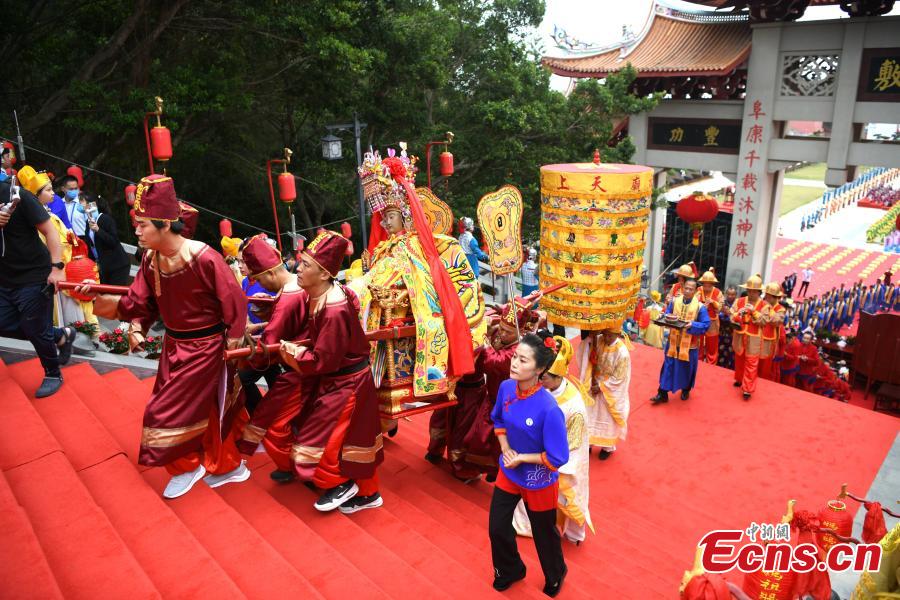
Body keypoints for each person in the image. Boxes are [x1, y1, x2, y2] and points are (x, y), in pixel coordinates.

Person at [76, 174, 251, 499]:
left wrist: (234, 340)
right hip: (174, 344)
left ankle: (186, 466)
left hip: (206, 347)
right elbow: (138, 302)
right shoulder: (151, 258)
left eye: (143, 225)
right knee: (209, 409)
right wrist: (97, 297)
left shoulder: (204, 257)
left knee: (163, 411)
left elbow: (235, 301)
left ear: (166, 224)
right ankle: (228, 465)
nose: (137, 232)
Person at [280, 230, 384, 514]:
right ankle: (368, 493)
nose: (297, 268)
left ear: (325, 274)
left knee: (325, 439)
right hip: (341, 379)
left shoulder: (334, 308)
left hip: (347, 383)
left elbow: (322, 361)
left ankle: (339, 483)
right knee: (353, 439)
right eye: (300, 262)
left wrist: (293, 352)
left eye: (306, 265)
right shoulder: (320, 295)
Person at [488, 331, 569, 597]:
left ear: (540, 369)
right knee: (497, 526)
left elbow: (558, 457)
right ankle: (510, 569)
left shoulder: (549, 409)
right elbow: (498, 420)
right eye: (515, 357)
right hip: (509, 471)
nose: (514, 363)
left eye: (523, 360)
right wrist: (506, 448)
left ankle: (556, 572)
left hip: (539, 478)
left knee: (543, 532)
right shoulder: (506, 388)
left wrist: (522, 457)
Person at [235, 235, 305, 482]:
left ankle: (296, 467)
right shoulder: (298, 284)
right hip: (304, 363)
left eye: (261, 279)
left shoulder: (287, 297)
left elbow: (269, 345)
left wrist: (244, 353)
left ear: (272, 273)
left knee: (273, 422)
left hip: (299, 368)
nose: (261, 284)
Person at [1, 166, 75, 397]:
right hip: (5, 278)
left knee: (35, 327)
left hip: (34, 274)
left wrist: (57, 268)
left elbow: (50, 231)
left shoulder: (18, 195)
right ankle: (59, 335)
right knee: (7, 324)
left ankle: (53, 373)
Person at [513, 336, 592, 545]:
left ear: (557, 375)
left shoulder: (574, 407)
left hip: (559, 456)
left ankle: (572, 533)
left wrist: (551, 458)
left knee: (566, 495)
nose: (540, 379)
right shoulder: (543, 389)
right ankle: (525, 525)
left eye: (544, 376)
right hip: (537, 449)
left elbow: (574, 443)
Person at [651, 279, 710, 404]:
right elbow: (667, 313)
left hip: (690, 345)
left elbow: (706, 324)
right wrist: (662, 316)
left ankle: (686, 389)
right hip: (673, 342)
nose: (687, 291)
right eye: (686, 288)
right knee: (668, 366)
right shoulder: (675, 301)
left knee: (687, 368)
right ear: (683, 288)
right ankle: (662, 393)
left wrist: (693, 324)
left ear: (695, 291)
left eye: (691, 289)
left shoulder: (700, 307)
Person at [579, 327, 631, 459]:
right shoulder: (599, 340)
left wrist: (602, 387)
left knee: (607, 418)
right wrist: (591, 338)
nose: (606, 338)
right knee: (589, 414)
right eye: (605, 334)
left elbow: (619, 377)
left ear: (618, 334)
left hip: (608, 390)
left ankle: (607, 447)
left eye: (610, 336)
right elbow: (585, 349)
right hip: (594, 383)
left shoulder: (622, 353)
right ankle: (588, 442)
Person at [731, 274, 766, 400]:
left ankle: (747, 389)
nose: (751, 293)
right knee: (739, 358)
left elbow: (764, 322)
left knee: (751, 362)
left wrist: (754, 312)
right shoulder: (739, 301)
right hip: (740, 334)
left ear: (759, 292)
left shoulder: (764, 305)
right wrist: (737, 314)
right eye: (749, 290)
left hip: (754, 337)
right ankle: (739, 379)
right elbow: (732, 315)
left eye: (754, 291)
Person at [86, 196, 131, 285]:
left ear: (93, 205)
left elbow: (113, 241)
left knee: (115, 292)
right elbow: (91, 245)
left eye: (83, 202)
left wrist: (98, 230)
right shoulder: (88, 223)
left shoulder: (106, 219)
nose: (81, 205)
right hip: (103, 266)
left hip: (117, 265)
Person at [758, 282, 786, 382]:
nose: (766, 298)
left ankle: (762, 382)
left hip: (769, 340)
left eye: (768, 296)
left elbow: (776, 322)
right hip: (757, 335)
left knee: (765, 364)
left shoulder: (781, 309)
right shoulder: (761, 303)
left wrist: (768, 308)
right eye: (766, 295)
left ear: (775, 297)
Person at [697, 268, 723, 365]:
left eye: (709, 284)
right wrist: (701, 305)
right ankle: (698, 362)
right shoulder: (698, 290)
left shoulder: (718, 292)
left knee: (712, 346)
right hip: (699, 320)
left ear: (713, 283)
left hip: (713, 323)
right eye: (705, 284)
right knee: (698, 343)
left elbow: (720, 308)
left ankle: (711, 364)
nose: (706, 286)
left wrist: (713, 302)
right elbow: (694, 303)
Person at [57, 175, 88, 243]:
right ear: (63, 189)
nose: (74, 191)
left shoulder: (84, 202)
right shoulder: (59, 204)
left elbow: (92, 222)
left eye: (76, 188)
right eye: (71, 189)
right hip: (65, 240)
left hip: (83, 239)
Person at [717, 286, 737, 370]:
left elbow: (737, 317)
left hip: (732, 333)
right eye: (728, 294)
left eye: (732, 294)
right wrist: (722, 313)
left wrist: (729, 314)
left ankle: (730, 369)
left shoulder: (737, 304)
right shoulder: (722, 303)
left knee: (731, 353)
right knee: (720, 351)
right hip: (722, 332)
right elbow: (716, 313)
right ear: (726, 294)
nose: (730, 296)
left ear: (736, 295)